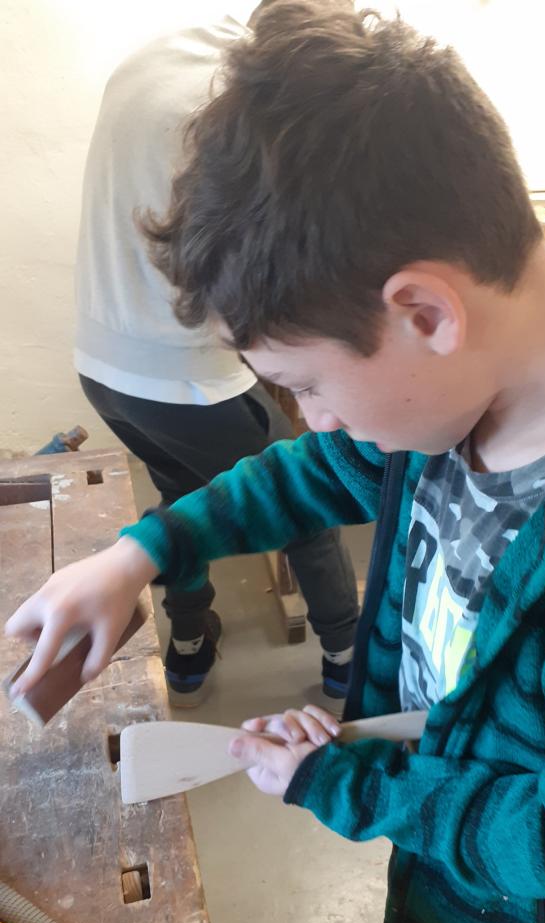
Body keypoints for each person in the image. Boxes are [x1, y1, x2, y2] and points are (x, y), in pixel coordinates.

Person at [8, 3, 545, 923]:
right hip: (429, 836)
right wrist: (140, 553)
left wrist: (346, 784)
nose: (309, 418)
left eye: (302, 383)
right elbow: (309, 475)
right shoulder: (453, 403)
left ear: (424, 312)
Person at [74, 3, 359, 706]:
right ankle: (347, 658)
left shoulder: (158, 55)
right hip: (185, 378)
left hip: (104, 366)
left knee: (182, 496)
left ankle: (190, 646)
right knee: (303, 505)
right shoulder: (255, 91)